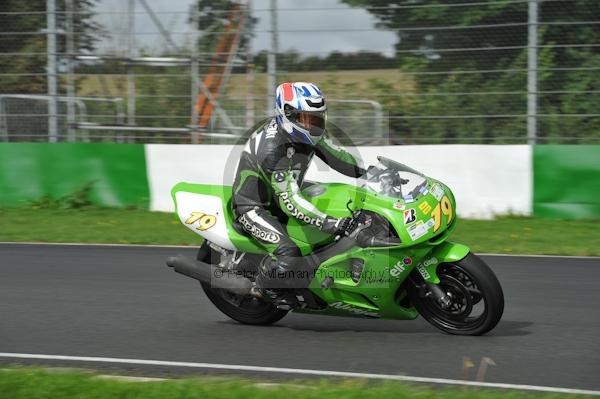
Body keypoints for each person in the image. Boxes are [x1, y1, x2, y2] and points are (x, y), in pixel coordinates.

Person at [231, 82, 366, 308]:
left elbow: (340, 159)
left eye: (317, 118)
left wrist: (368, 173)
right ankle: (265, 288)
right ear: (288, 115)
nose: (314, 125)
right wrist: (333, 223)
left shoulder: (308, 134)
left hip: (284, 191)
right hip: (254, 206)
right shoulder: (273, 149)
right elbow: (290, 201)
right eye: (307, 119)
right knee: (289, 254)